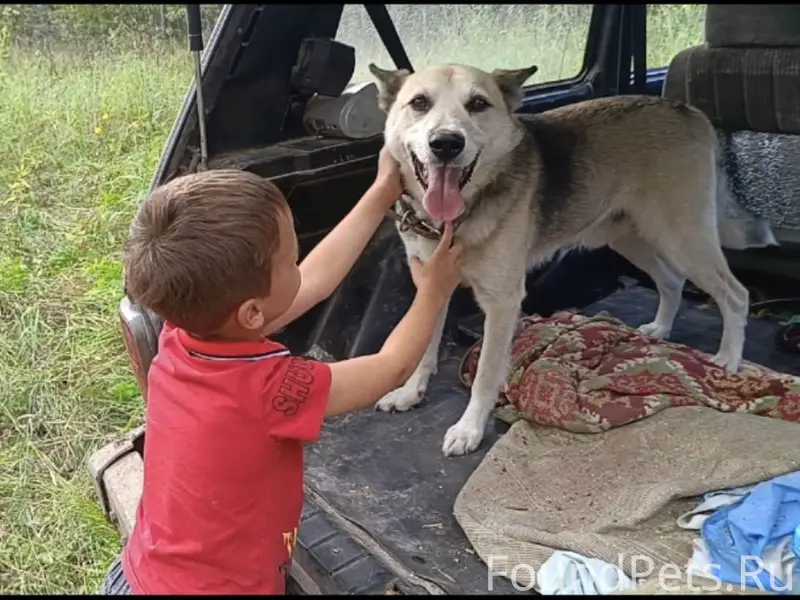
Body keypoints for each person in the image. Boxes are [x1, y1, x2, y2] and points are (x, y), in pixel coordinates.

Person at [97, 147, 464, 595]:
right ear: (252, 312)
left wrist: (382, 191)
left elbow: (312, 281)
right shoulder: (269, 389)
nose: (299, 262)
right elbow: (391, 368)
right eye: (291, 257)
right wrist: (434, 291)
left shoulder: (183, 332)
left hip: (141, 575)